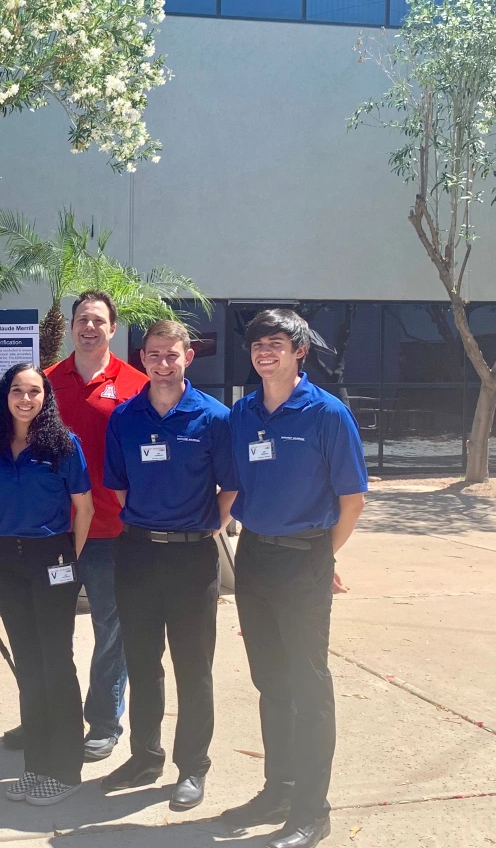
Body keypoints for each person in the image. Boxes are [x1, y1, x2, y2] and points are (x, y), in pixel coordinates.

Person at [221, 309, 367, 848]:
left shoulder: (328, 414)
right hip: (254, 558)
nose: (265, 351)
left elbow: (352, 502)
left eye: (276, 342)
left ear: (299, 350)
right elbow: (232, 487)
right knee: (270, 683)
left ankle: (312, 809)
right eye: (258, 343)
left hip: (306, 559)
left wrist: (320, 560)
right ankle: (277, 789)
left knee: (309, 686)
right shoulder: (243, 413)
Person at [101, 320, 236, 811]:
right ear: (142, 359)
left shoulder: (214, 418)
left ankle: (193, 767)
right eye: (154, 355)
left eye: (171, 355)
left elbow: (231, 487)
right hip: (136, 553)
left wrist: (203, 524)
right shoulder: (125, 417)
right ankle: (145, 756)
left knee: (193, 667)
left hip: (191, 556)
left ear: (187, 358)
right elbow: (117, 486)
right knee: (141, 662)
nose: (162, 363)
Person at [27, 290, 147, 762]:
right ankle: (49, 715)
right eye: (82, 319)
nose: (89, 327)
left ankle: (102, 720)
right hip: (51, 532)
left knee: (110, 630)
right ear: (71, 325)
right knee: (46, 631)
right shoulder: (45, 383)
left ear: (113, 328)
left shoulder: (136, 384)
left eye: (99, 320)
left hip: (110, 534)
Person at [0, 363, 95, 806]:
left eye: (35, 392)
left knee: (55, 663)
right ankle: (36, 766)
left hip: (53, 557)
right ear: (5, 396)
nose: (26, 399)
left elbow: (83, 508)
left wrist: (67, 557)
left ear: (46, 398)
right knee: (28, 664)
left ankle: (65, 770)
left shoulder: (63, 446)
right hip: (8, 558)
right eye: (18, 391)